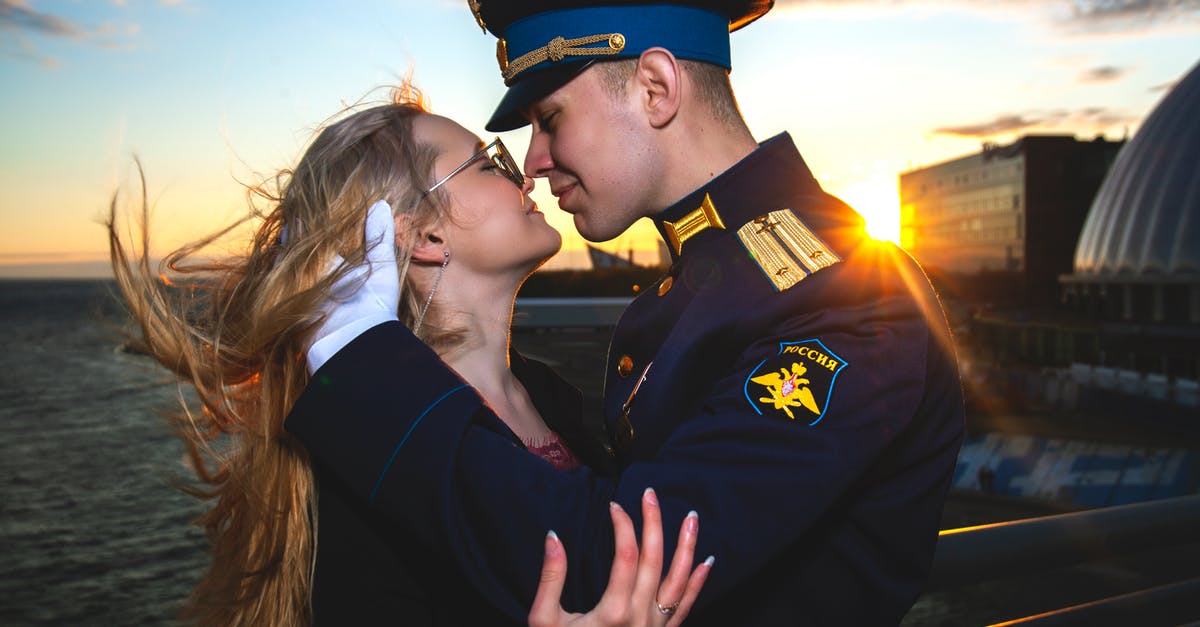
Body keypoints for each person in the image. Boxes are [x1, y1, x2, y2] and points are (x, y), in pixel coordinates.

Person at [285, 0, 966, 624]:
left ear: (655, 89)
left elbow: (613, 564)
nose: (534, 163)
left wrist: (362, 365)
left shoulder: (849, 292)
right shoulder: (699, 291)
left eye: (551, 119)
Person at [107, 90, 710, 625]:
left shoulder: (553, 397)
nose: (525, 175)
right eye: (489, 164)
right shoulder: (368, 471)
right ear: (425, 237)